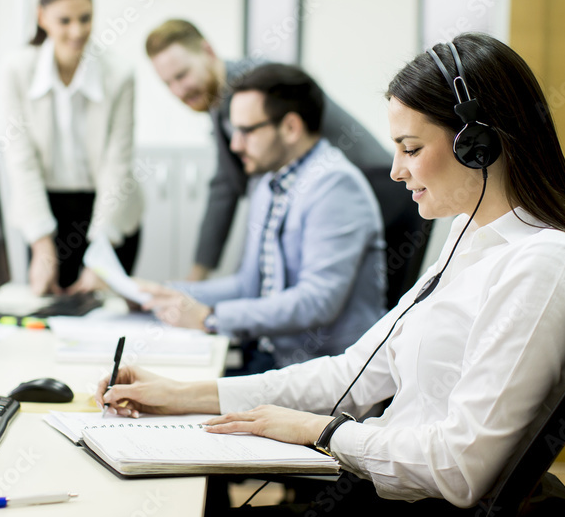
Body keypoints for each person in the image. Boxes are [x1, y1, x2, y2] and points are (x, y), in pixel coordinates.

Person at [99, 33, 565, 517]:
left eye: (411, 148)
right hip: (373, 497)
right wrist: (181, 396)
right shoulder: (470, 241)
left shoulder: (545, 266)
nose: (396, 171)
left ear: (477, 145)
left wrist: (319, 432)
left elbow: (461, 469)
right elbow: (351, 374)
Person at [139, 63, 386, 373]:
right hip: (270, 358)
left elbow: (317, 301)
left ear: (291, 128)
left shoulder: (335, 186)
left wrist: (210, 317)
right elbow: (249, 285)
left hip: (322, 372)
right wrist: (165, 294)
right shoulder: (268, 183)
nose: (235, 145)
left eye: (246, 131)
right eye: (233, 131)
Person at [145, 19, 391, 281]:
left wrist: (236, 287)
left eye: (182, 75)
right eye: (168, 83)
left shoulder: (255, 88)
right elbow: (226, 187)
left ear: (208, 51)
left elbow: (255, 195)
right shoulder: (220, 101)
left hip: (377, 191)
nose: (178, 90)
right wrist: (200, 278)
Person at [0, 0, 143, 295]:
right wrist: (41, 243)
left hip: (110, 212)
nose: (77, 31)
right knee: (49, 313)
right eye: (64, 20)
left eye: (85, 18)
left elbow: (117, 164)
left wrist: (100, 253)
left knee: (100, 313)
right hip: (46, 211)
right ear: (42, 17)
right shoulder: (17, 70)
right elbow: (21, 161)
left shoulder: (119, 75)